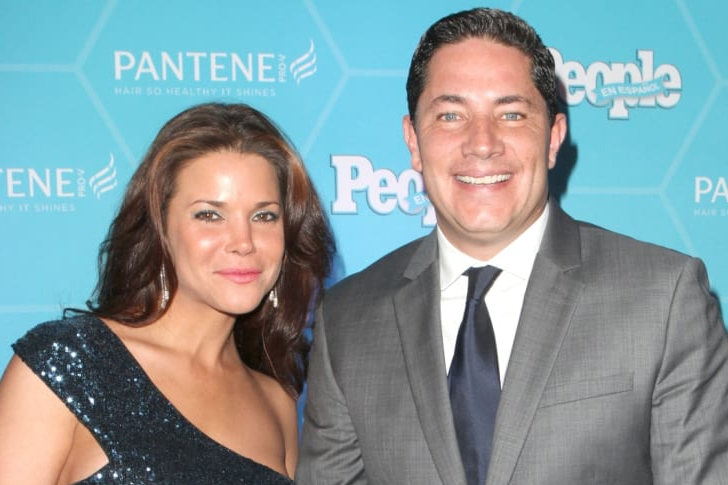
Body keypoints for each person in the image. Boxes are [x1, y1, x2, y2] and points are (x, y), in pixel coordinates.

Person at [296, 7, 728, 485]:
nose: (482, 143)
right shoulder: (348, 320)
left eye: (511, 114)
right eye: (451, 115)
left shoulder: (663, 300)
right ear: (413, 141)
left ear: (553, 138)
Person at [0, 102, 334, 484]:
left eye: (264, 216)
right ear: (160, 227)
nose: (243, 242)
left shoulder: (276, 403)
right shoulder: (69, 362)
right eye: (209, 215)